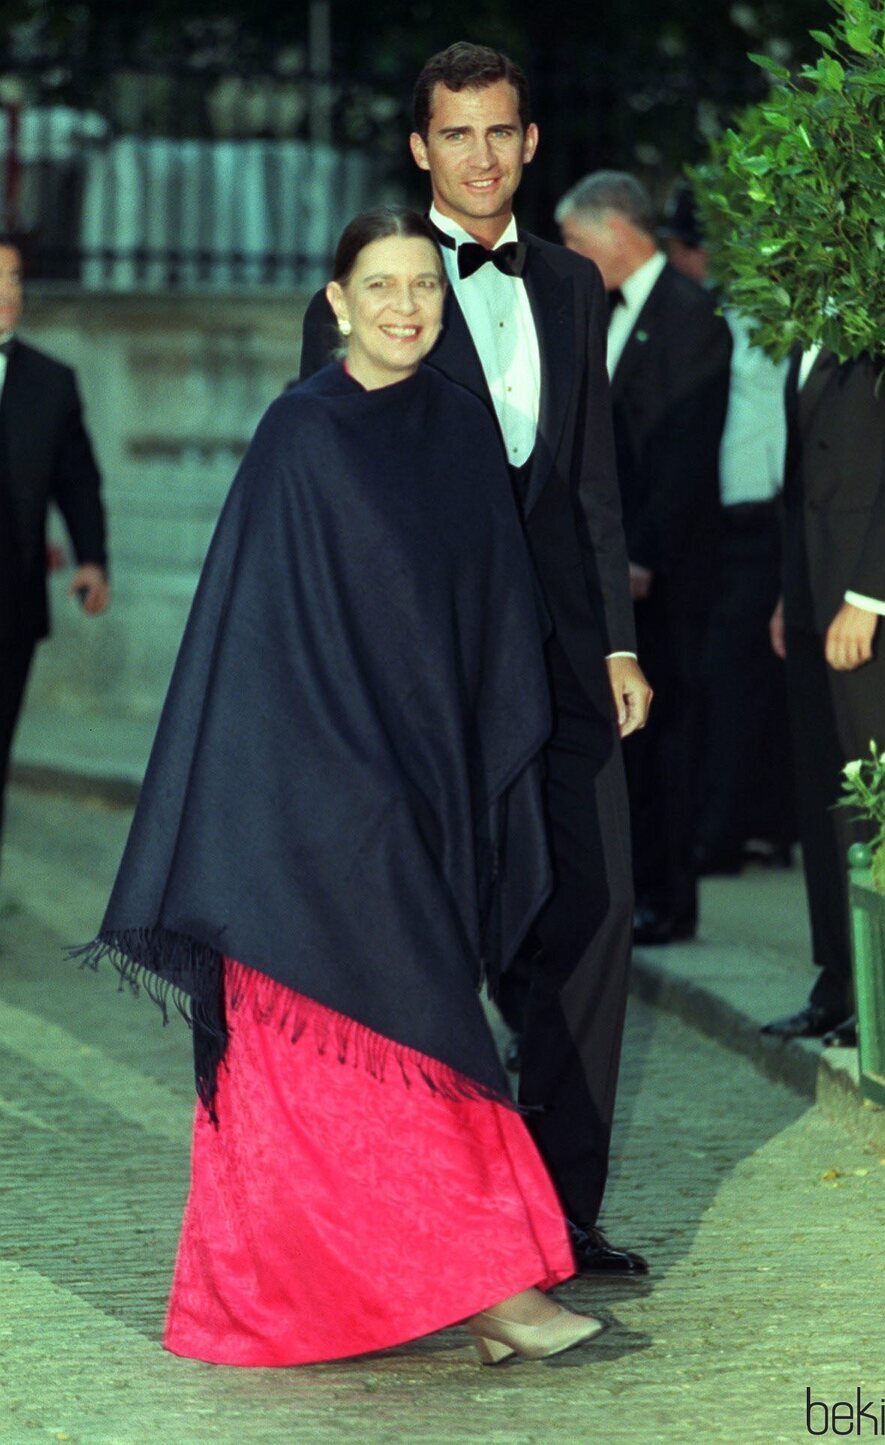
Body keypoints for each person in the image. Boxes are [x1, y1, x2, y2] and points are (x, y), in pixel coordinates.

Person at [77, 208, 604, 1368]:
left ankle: (322, 1292)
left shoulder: (461, 427)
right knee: (395, 1030)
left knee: (402, 1030)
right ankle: (495, 1287)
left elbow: (488, 622)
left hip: (429, 784)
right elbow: (261, 639)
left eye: (423, 284)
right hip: (314, 804)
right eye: (382, 285)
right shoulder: (299, 436)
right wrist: (347, 778)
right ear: (336, 301)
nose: (408, 305)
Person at [301, 44, 651, 1275]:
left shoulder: (568, 284)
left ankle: (562, 1210)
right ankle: (446, 1218)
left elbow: (593, 485)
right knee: (446, 921)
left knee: (595, 904)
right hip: (428, 669)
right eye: (456, 135)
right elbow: (334, 496)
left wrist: (614, 634)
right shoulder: (371, 291)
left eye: (501, 132)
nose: (482, 157)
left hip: (563, 652)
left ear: (531, 141)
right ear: (419, 148)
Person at [556, 171, 731, 946]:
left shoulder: (694, 316)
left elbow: (683, 454)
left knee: (669, 734)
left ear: (618, 233)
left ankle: (671, 896)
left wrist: (645, 554)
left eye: (575, 240)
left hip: (669, 569)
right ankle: (637, 887)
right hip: (618, 565)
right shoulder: (598, 311)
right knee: (632, 736)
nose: (568, 254)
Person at [762, 348, 885, 1047]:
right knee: (827, 799)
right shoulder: (812, 308)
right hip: (817, 595)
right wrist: (793, 592)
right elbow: (804, 474)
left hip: (882, 603)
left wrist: (871, 595)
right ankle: (841, 982)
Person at [658, 184, 797, 874]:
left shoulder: (757, 318)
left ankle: (730, 828)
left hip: (759, 519)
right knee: (734, 678)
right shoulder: (724, 316)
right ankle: (744, 822)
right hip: (727, 520)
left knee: (735, 678)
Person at [0, 233, 109, 884]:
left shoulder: (50, 382)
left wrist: (92, 558)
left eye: (15, 279)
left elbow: (77, 478)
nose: (9, 293)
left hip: (10, 604)